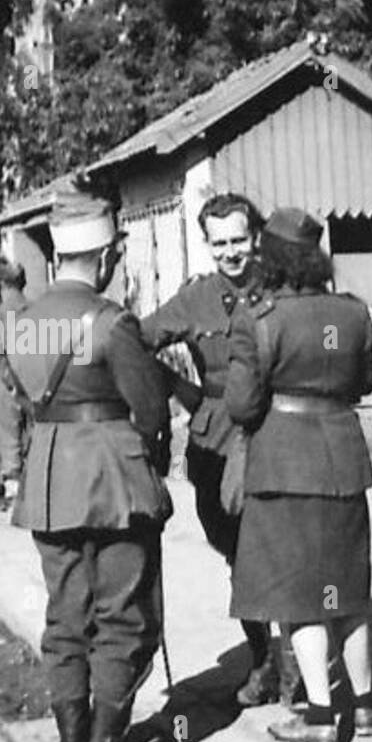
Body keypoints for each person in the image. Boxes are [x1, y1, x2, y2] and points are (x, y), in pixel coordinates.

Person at [8, 191, 172, 742]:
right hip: (114, 478)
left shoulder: (22, 324)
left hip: (51, 478)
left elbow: (27, 396)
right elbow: (151, 409)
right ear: (103, 258)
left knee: (66, 617)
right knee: (122, 616)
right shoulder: (111, 321)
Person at [224, 207, 372, 742]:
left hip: (283, 464)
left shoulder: (259, 317)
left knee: (298, 594)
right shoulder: (351, 314)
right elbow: (366, 382)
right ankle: (367, 706)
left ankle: (322, 714)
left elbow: (241, 403)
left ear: (267, 257)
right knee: (347, 587)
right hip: (343, 456)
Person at [139, 193, 295, 707]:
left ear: (256, 238)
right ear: (206, 245)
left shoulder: (281, 286)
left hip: (273, 433)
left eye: (239, 240)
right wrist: (171, 387)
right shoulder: (196, 298)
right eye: (220, 243)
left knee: (279, 553)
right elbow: (136, 342)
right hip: (213, 441)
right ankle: (263, 658)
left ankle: (297, 672)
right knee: (235, 554)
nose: (232, 253)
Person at [0, 260, 31, 512]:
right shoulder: (38, 309)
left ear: (0, 283)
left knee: (8, 434)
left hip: (8, 382)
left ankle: (14, 492)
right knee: (34, 432)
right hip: (36, 381)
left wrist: (11, 381)